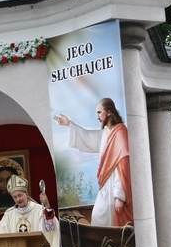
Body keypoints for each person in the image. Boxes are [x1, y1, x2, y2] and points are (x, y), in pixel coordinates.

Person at [53, 97, 133, 227]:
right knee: (98, 217)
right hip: (105, 185)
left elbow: (122, 164)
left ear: (109, 112)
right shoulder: (105, 134)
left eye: (99, 112)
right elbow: (87, 137)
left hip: (115, 187)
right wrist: (69, 124)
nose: (97, 116)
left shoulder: (120, 133)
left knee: (104, 218)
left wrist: (120, 196)